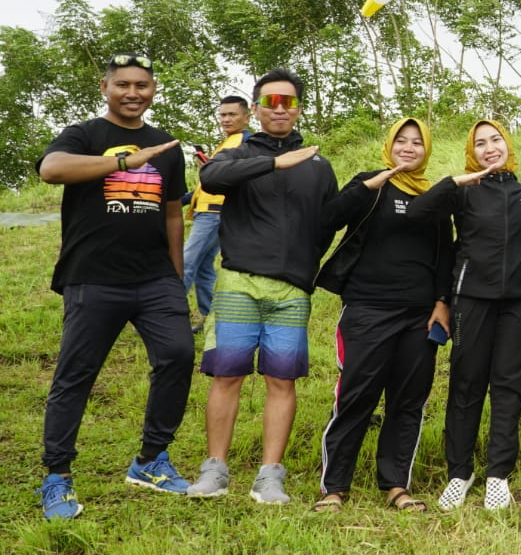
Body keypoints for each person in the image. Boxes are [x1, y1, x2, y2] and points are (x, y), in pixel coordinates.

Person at [34, 54, 193, 518]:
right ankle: (57, 476)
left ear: (153, 88)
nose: (132, 93)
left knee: (179, 355)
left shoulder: (166, 144)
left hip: (156, 277)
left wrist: (176, 275)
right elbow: (52, 169)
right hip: (93, 275)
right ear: (105, 87)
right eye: (122, 84)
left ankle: (150, 459)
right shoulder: (84, 135)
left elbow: (172, 213)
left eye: (141, 85)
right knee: (76, 376)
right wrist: (125, 159)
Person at [188, 69, 338, 504]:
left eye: (288, 102)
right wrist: (274, 162)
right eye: (270, 101)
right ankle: (214, 469)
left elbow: (325, 223)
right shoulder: (236, 153)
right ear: (256, 108)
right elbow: (209, 180)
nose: (280, 109)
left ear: (299, 108)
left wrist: (306, 265)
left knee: (281, 381)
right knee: (227, 376)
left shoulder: (318, 164)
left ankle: (270, 475)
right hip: (237, 282)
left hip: (292, 292)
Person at [408, 119, 521, 511]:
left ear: (507, 144)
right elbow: (419, 212)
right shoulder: (464, 192)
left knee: (509, 388)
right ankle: (460, 472)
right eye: (481, 144)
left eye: (496, 140)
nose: (490, 148)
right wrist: (456, 181)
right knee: (466, 385)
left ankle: (497, 475)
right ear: (472, 152)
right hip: (470, 300)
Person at [312, 118, 453, 513]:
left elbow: (446, 253)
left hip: (419, 316)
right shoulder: (368, 184)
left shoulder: (434, 193)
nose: (408, 148)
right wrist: (366, 186)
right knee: (357, 397)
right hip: (367, 308)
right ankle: (334, 487)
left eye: (417, 143)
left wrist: (443, 301)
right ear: (389, 146)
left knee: (408, 401)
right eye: (401, 142)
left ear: (426, 150)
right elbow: (327, 219)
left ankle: (396, 485)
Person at [181, 95, 251, 330]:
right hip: (206, 210)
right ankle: (212, 319)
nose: (226, 119)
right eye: (222, 114)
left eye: (232, 114)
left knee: (186, 262)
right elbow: (210, 183)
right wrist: (177, 199)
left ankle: (166, 317)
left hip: (215, 213)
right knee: (202, 267)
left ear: (247, 116)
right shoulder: (227, 143)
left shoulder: (247, 143)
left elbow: (237, 178)